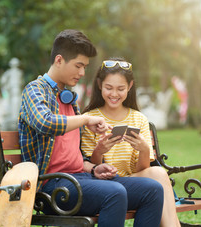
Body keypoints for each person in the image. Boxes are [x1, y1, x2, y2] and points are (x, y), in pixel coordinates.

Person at [18, 29, 163, 227]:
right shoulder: (34, 90)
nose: (82, 73)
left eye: (85, 67)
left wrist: (94, 168)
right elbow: (46, 123)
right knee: (115, 192)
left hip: (82, 179)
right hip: (51, 185)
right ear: (59, 60)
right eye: (78, 66)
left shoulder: (69, 99)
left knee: (152, 189)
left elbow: (72, 156)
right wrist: (85, 120)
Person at [81, 57, 181, 227]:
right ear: (99, 85)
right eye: (109, 88)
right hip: (104, 186)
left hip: (133, 184)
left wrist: (143, 150)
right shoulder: (89, 119)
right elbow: (92, 171)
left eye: (120, 89)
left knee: (158, 173)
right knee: (157, 178)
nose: (114, 94)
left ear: (130, 86)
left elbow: (143, 171)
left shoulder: (138, 119)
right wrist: (99, 151)